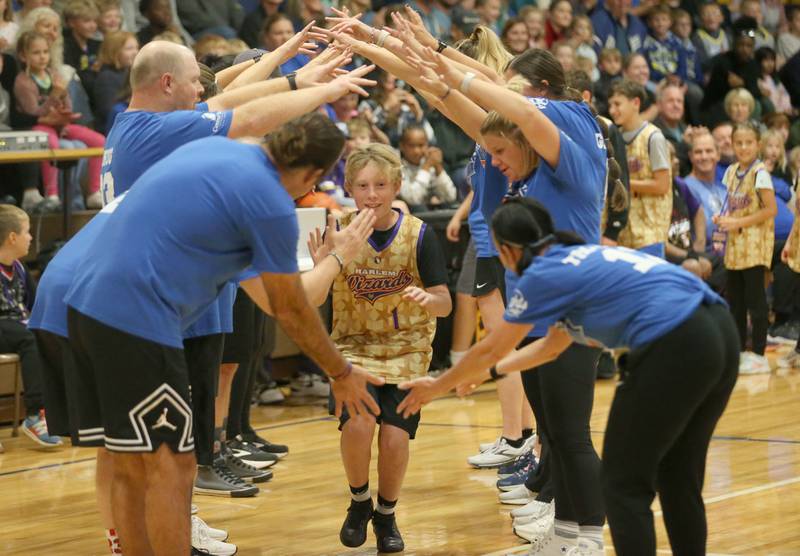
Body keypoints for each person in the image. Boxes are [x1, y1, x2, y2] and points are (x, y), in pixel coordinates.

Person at [64, 114, 384, 555]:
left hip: (78, 299)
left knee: (141, 463)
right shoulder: (266, 199)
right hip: (133, 314)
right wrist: (341, 370)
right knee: (171, 468)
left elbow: (277, 299)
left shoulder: (221, 153)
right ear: (312, 175)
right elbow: (289, 308)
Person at [397, 197, 739, 556]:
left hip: (674, 340)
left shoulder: (542, 273)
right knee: (677, 475)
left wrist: (437, 385)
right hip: (721, 330)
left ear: (508, 251)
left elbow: (492, 347)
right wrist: (490, 373)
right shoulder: (578, 258)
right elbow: (550, 347)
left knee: (622, 486)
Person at [313, 144, 451, 554]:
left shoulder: (420, 234)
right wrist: (323, 261)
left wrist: (430, 301)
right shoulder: (337, 230)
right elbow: (313, 299)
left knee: (394, 437)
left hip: (407, 347)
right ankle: (359, 502)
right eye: (362, 185)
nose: (372, 194)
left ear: (397, 186)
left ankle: (386, 514)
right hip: (352, 347)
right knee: (358, 424)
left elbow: (445, 301)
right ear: (348, 188)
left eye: (380, 185)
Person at [13, 31, 105, 209]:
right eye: (36, 53)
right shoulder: (22, 81)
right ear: (23, 56)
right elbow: (34, 112)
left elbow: (67, 104)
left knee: (100, 141)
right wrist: (55, 95)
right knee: (53, 145)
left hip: (60, 123)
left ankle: (94, 192)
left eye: (45, 52)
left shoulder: (53, 74)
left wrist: (65, 112)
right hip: (40, 126)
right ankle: (52, 194)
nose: (42, 57)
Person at [713, 122, 776, 375]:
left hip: (755, 245)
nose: (743, 147)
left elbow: (770, 209)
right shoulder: (730, 171)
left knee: (755, 302)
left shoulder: (761, 173)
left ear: (757, 145)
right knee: (736, 302)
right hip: (735, 247)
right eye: (738, 142)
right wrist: (723, 218)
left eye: (748, 142)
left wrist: (737, 221)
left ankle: (759, 354)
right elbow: (732, 204)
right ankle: (739, 351)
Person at [0, 205, 62, 448]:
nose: (31, 238)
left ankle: (56, 411)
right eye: (27, 232)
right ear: (12, 237)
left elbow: (36, 305)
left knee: (49, 333)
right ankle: (34, 414)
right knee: (27, 336)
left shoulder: (19, 269)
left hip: (16, 328)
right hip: (6, 328)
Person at [609, 79, 672, 258]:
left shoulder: (654, 137)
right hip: (623, 234)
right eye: (610, 105)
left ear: (635, 103)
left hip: (649, 234)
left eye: (617, 104)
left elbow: (662, 185)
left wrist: (624, 183)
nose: (612, 110)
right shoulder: (615, 138)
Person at [398, 124, 457, 211]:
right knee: (419, 208)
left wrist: (438, 167)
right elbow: (414, 199)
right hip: (411, 215)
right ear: (402, 146)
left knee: (450, 207)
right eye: (411, 146)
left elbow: (451, 196)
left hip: (432, 215)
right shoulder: (397, 168)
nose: (416, 151)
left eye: (421, 145)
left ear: (427, 145)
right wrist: (426, 167)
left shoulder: (431, 163)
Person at [91, 31, 138, 133]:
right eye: (129, 49)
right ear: (114, 51)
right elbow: (110, 112)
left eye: (136, 47)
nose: (135, 52)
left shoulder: (130, 72)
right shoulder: (106, 77)